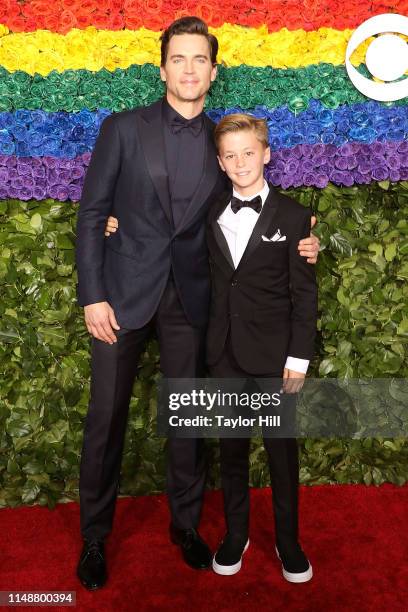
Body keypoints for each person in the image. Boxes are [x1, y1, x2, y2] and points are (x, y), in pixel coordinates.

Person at [76, 16, 320, 590]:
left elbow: (253, 213)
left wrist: (306, 242)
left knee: (188, 420)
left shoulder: (224, 145)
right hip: (121, 298)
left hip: (193, 305)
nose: (189, 69)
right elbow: (92, 215)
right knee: (106, 418)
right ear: (163, 68)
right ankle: (93, 537)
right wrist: (94, 295)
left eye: (199, 60)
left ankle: (185, 527)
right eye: (178, 59)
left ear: (214, 69)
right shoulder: (123, 128)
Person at [204, 113, 317, 581]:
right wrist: (113, 222)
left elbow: (304, 294)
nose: (240, 162)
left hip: (275, 359)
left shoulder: (294, 217)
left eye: (248, 152)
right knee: (230, 450)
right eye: (230, 156)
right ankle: (236, 533)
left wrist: (298, 358)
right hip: (224, 355)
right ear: (220, 162)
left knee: (280, 453)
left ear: (266, 154)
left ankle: (288, 541)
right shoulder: (208, 211)